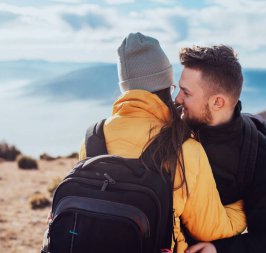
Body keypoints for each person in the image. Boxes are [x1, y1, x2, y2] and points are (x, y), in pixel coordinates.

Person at [78, 33, 247, 253]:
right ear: (168, 85)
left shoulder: (93, 138)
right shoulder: (183, 148)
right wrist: (245, 206)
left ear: (125, 88)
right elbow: (210, 229)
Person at [175, 45, 266, 253]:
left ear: (218, 102)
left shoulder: (260, 157)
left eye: (186, 92)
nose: (177, 99)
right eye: (180, 88)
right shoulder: (170, 124)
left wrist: (218, 250)